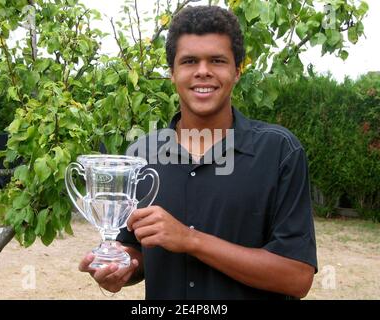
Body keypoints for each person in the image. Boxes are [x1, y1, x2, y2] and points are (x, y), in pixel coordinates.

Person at [79, 5, 317, 300]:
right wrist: (122, 268)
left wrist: (190, 240)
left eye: (217, 60)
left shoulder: (280, 151)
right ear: (172, 73)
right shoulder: (142, 154)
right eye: (189, 61)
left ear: (237, 71)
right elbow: (136, 249)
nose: (203, 72)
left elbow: (297, 277)